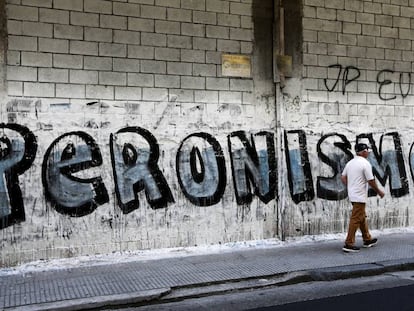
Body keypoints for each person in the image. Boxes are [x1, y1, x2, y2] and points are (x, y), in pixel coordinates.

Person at [341, 143, 385, 253]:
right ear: (364, 152)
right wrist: (379, 191)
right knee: (356, 218)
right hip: (359, 195)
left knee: (361, 217)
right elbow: (371, 180)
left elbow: (343, 176)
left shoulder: (350, 163)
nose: (368, 153)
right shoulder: (365, 164)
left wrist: (350, 186)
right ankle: (349, 243)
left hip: (352, 194)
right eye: (367, 151)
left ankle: (367, 239)